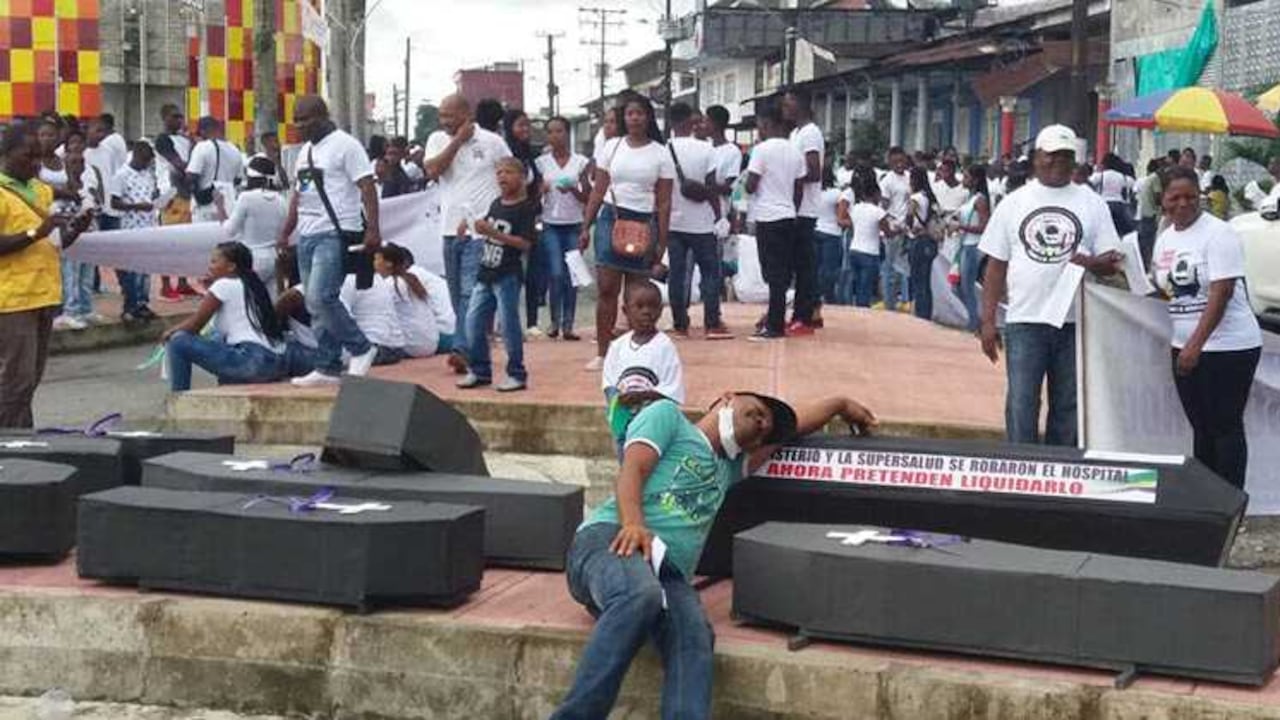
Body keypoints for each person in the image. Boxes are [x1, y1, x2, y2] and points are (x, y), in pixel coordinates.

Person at [549, 390, 877, 720]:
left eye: (765, 429)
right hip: (609, 540)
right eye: (757, 412)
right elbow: (632, 468)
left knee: (694, 637)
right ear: (727, 398)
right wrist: (634, 523)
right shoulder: (669, 418)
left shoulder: (729, 468)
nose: (761, 424)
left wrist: (838, 404)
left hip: (667, 573)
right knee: (640, 594)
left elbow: (795, 425)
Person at [978, 125, 1123, 447]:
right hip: (1025, 320)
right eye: (1051, 154)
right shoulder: (1014, 203)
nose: (1058, 161)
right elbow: (996, 264)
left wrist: (1090, 263)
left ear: (1076, 161)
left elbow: (1112, 260)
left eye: (1067, 155)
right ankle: (1020, 470)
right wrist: (988, 321)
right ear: (1035, 159)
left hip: (1076, 322)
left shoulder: (1092, 203)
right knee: (1022, 403)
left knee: (1068, 406)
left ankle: (1059, 472)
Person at [1151, 165, 1262, 490]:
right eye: (1175, 197)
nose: (1183, 203)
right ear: (1163, 201)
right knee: (1200, 426)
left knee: (1224, 426)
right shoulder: (1164, 239)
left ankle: (1230, 502)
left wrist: (1195, 346)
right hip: (1184, 344)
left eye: (1190, 196)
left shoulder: (1219, 233)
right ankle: (1206, 499)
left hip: (1228, 347)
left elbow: (1222, 291)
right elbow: (1166, 289)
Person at [276, 95, 381, 387]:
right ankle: (327, 365)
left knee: (321, 297)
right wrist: (287, 230)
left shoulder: (346, 146)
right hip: (307, 234)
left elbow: (367, 187)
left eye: (305, 119)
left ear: (323, 115)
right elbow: (299, 195)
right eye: (296, 119)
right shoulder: (304, 151)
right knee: (314, 306)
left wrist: (373, 228)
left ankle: (361, 347)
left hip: (335, 232)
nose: (300, 125)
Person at [0, 120, 94, 428]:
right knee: (15, 380)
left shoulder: (40, 191)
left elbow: (52, 243)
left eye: (40, 156)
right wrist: (34, 232)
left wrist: (74, 232)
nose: (36, 164)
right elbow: (34, 237)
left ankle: (22, 439)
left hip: (45, 294)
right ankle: (12, 445)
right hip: (13, 299)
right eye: (29, 156)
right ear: (6, 154)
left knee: (29, 381)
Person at [580, 95, 675, 368]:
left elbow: (665, 201)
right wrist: (586, 226)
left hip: (644, 222)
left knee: (637, 293)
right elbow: (598, 189)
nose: (634, 118)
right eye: (630, 114)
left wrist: (663, 242)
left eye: (640, 113)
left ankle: (635, 353)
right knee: (607, 289)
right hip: (612, 217)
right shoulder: (611, 147)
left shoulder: (660, 153)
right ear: (625, 118)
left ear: (648, 118)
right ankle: (603, 352)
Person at [424, 94, 512, 373]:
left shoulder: (492, 142)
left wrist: (500, 215)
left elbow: (511, 175)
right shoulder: (438, 139)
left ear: (466, 113)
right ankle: (475, 345)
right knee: (455, 295)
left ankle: (462, 348)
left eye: (450, 116)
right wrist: (457, 141)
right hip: (449, 229)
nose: (444, 121)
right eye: (442, 116)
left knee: (469, 293)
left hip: (480, 231)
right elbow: (433, 170)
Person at [161, 242, 292, 391]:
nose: (210, 266)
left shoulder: (223, 285)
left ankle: (178, 397)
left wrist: (170, 333)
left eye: (214, 262)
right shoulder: (252, 284)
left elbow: (194, 326)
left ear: (231, 266)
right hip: (275, 361)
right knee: (217, 337)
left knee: (178, 341)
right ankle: (230, 385)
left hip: (252, 360)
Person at [456, 157, 537, 392]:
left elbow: (525, 244)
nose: (502, 177)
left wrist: (493, 232)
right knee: (473, 322)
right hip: (486, 271)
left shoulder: (526, 209)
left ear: (522, 177)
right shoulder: (496, 203)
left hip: (507, 274)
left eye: (508, 172)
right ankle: (480, 370)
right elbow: (488, 229)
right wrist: (472, 226)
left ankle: (517, 373)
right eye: (499, 172)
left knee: (509, 325)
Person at [666, 102, 730, 340]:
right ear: (690, 122)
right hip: (702, 223)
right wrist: (719, 217)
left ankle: (680, 324)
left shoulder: (664, 149)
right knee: (710, 272)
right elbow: (712, 187)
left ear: (671, 122)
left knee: (677, 273)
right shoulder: (706, 149)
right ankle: (712, 323)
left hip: (674, 222)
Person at [601, 280, 686, 457]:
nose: (646, 312)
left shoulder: (664, 346)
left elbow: (671, 388)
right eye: (639, 306)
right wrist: (616, 400)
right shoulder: (618, 346)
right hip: (623, 420)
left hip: (652, 422)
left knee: (649, 459)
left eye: (652, 306)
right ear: (625, 311)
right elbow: (609, 381)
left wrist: (642, 396)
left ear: (661, 310)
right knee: (625, 457)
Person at [743, 103, 807, 341]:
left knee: (773, 275)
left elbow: (750, 184)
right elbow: (799, 189)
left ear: (767, 123)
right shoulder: (794, 151)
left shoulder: (761, 150)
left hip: (768, 217)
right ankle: (774, 320)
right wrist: (792, 209)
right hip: (788, 215)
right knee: (780, 273)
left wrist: (752, 189)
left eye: (759, 124)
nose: (758, 129)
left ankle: (774, 326)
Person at [535, 116, 591, 341]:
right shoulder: (542, 163)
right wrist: (544, 189)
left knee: (572, 274)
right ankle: (554, 321)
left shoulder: (580, 162)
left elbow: (588, 194)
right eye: (551, 132)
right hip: (550, 223)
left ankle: (568, 324)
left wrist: (574, 191)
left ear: (567, 134)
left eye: (559, 131)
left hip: (573, 223)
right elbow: (533, 192)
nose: (555, 136)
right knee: (556, 273)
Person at [37, 119, 88, 331]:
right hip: (47, 215)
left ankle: (74, 307)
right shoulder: (35, 163)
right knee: (57, 265)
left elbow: (73, 184)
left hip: (68, 214)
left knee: (73, 264)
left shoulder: (63, 161)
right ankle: (61, 309)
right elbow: (38, 188)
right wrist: (64, 192)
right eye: (43, 135)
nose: (47, 139)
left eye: (51, 134)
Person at [504, 108, 548, 337]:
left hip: (531, 217)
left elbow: (535, 183)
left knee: (534, 271)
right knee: (512, 273)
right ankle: (508, 323)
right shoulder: (505, 153)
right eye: (520, 125)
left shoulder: (530, 155)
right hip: (510, 219)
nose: (525, 130)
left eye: (527, 125)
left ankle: (532, 321)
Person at [782, 88, 822, 333]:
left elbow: (814, 171)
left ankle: (804, 316)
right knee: (798, 264)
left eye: (789, 104)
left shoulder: (810, 133)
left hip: (805, 208)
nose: (785, 109)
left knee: (804, 266)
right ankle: (808, 309)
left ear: (801, 104)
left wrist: (789, 178)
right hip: (793, 206)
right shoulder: (795, 133)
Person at [110, 140, 161, 323]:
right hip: (131, 227)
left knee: (146, 270)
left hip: (149, 225)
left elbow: (152, 194)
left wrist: (158, 199)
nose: (147, 164)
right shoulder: (121, 175)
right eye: (146, 160)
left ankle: (142, 304)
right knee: (132, 270)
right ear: (137, 156)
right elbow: (114, 203)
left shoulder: (148, 174)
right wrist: (136, 206)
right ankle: (130, 306)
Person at [224, 155, 289, 297]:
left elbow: (229, 230)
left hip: (251, 258)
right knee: (271, 305)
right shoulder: (281, 200)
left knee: (248, 303)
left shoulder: (246, 198)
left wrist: (221, 209)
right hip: (274, 259)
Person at [154, 103, 198, 302]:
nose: (179, 120)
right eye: (174, 117)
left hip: (186, 194)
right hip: (170, 193)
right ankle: (165, 286)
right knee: (167, 242)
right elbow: (178, 163)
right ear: (164, 118)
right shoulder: (162, 140)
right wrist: (192, 171)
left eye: (181, 117)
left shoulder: (185, 140)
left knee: (185, 242)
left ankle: (182, 283)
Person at [375, 243, 450, 357]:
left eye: (376, 259)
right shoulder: (411, 279)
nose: (373, 263)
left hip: (414, 347)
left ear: (388, 263)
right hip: (432, 344)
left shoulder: (390, 284)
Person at [842, 177, 892, 308]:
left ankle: (854, 310)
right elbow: (887, 232)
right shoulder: (878, 212)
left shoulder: (855, 208)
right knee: (865, 288)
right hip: (870, 253)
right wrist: (897, 230)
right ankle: (862, 314)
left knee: (857, 284)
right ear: (876, 194)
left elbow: (852, 225)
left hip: (854, 250)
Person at [339, 271, 407, 367]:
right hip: (395, 348)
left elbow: (340, 320)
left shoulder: (347, 280)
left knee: (318, 358)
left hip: (373, 349)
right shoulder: (374, 276)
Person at [187, 116, 245, 223]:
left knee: (203, 238)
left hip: (206, 206)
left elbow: (191, 176)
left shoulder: (202, 147)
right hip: (229, 203)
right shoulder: (235, 150)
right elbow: (238, 179)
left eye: (200, 134)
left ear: (203, 130)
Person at [954, 164, 991, 332]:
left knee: (966, 286)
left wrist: (961, 228)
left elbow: (984, 226)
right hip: (964, 244)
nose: (964, 180)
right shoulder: (971, 198)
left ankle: (974, 322)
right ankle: (974, 318)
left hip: (972, 246)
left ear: (975, 180)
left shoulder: (980, 200)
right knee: (957, 285)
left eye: (967, 177)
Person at [906, 166, 941, 321]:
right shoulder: (930, 197)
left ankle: (919, 315)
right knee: (926, 281)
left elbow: (909, 215)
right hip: (930, 241)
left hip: (918, 240)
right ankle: (926, 314)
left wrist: (909, 226)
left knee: (917, 279)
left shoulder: (915, 198)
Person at [813, 160, 846, 308]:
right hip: (832, 232)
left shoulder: (813, 193)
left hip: (815, 230)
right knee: (829, 268)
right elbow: (841, 215)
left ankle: (815, 295)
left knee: (816, 266)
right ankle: (829, 296)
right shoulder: (837, 194)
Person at [1089, 153, 1135, 236]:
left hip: (1104, 203)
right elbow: (1133, 185)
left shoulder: (1100, 176)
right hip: (1119, 204)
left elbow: (1090, 182)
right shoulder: (1123, 177)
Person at [1134, 159, 1163, 268]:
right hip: (1151, 215)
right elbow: (1158, 197)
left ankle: (1143, 265)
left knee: (1144, 243)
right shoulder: (1155, 178)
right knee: (1150, 243)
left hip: (1142, 214)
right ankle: (1148, 266)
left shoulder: (1146, 179)